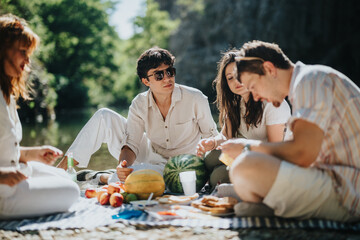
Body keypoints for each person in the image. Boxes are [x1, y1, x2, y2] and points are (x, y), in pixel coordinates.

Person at [219, 40, 360, 222]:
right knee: (243, 171)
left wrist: (247, 147)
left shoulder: (310, 80)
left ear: (269, 69)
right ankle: (275, 209)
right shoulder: (306, 83)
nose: (255, 96)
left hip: (349, 190)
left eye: (253, 86)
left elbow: (302, 153)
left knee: (245, 166)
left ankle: (275, 210)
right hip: (336, 180)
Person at [57, 47, 218, 184]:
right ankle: (59, 172)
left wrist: (210, 168)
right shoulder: (139, 103)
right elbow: (131, 143)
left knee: (135, 180)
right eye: (159, 75)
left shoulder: (195, 98)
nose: (167, 78)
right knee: (103, 115)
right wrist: (123, 165)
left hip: (184, 165)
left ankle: (103, 177)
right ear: (146, 81)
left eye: (170, 71)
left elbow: (212, 137)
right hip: (150, 155)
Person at [0, 14, 79, 219]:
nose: (28, 61)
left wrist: (32, 153)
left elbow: (4, 149)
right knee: (72, 192)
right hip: (4, 192)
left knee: (66, 178)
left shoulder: (5, 92)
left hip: (14, 172)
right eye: (23, 52)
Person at [196, 50, 291, 188]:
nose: (236, 81)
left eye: (238, 74)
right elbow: (225, 136)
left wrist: (241, 152)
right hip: (248, 155)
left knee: (217, 176)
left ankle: (218, 183)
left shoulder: (271, 102)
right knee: (210, 159)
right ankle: (216, 183)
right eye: (230, 78)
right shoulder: (236, 104)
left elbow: (274, 150)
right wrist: (212, 142)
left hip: (270, 162)